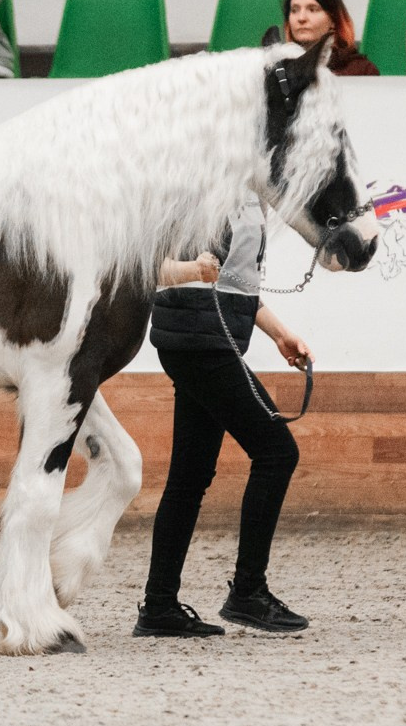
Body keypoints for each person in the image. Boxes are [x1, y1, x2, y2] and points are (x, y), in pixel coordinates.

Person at [134, 191, 316, 638]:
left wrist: (281, 334)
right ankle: (248, 593)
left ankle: (159, 606)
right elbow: (149, 267)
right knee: (277, 453)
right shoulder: (201, 190)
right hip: (200, 342)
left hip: (207, 340)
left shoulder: (249, 198)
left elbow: (237, 285)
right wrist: (192, 271)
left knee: (190, 477)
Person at [261, 0, 379, 75]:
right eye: (294, 10)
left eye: (312, 9)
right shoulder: (276, 69)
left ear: (333, 20)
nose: (301, 18)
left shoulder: (361, 70)